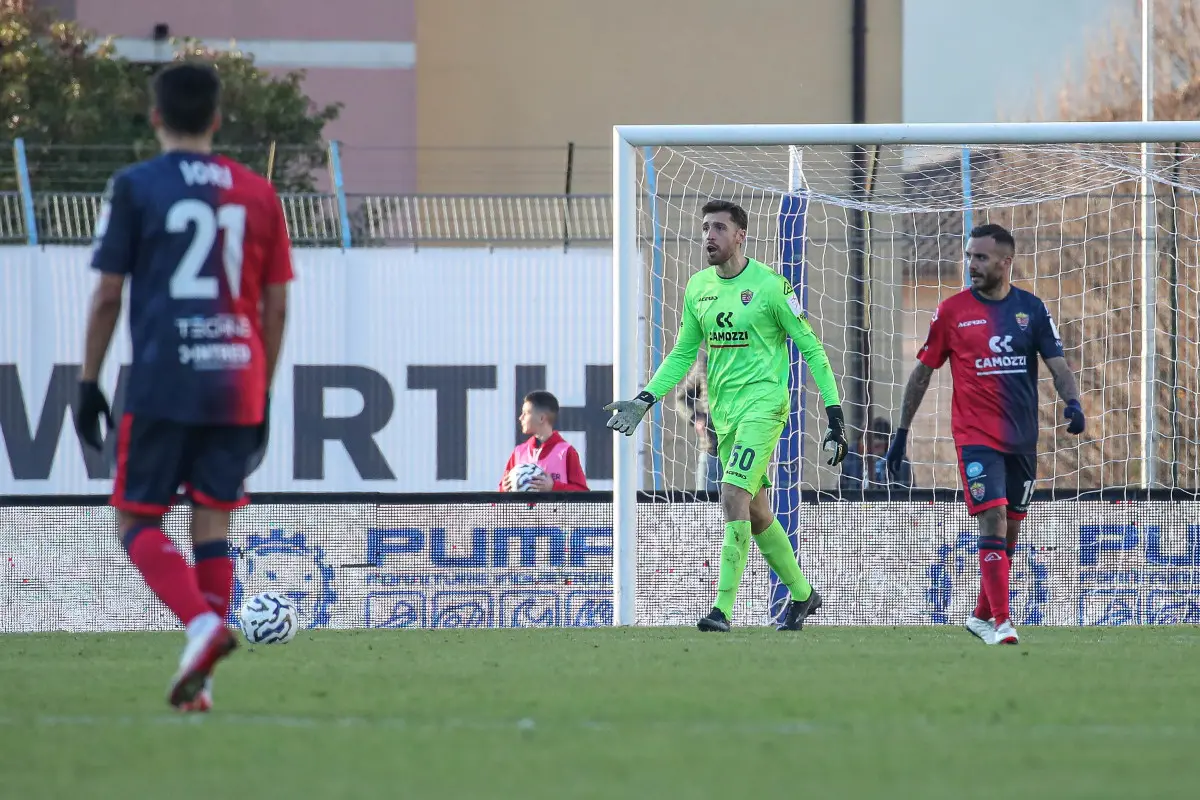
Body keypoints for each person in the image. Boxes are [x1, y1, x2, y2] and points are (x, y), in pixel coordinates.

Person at [73, 62, 293, 710]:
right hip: (237, 379)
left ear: (156, 117)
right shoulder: (257, 192)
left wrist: (88, 380)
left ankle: (200, 626)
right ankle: (202, 684)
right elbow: (276, 306)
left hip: (165, 376)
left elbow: (109, 293)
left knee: (133, 517)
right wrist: (267, 391)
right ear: (218, 119)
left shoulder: (137, 186)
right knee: (211, 519)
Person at [605, 199, 847, 632]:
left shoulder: (772, 287)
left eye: (718, 228)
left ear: (741, 235)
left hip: (765, 405)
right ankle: (805, 596)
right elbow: (682, 354)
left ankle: (722, 610)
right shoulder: (699, 287)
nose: (709, 236)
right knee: (756, 512)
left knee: (731, 494)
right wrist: (645, 399)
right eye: (704, 228)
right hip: (725, 412)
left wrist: (835, 414)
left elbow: (810, 348)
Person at [885, 223, 1084, 646]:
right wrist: (901, 434)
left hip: (1022, 439)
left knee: (1010, 530)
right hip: (975, 437)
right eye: (969, 256)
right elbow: (921, 375)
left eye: (981, 257)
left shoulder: (1030, 309)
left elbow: (1058, 363)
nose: (971, 264)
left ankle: (979, 616)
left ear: (1005, 262)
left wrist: (1074, 403)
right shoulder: (952, 312)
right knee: (991, 518)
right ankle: (1001, 621)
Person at [500, 390, 589, 491]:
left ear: (541, 418)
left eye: (526, 413)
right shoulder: (519, 452)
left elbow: (582, 493)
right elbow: (498, 496)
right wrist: (504, 490)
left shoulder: (566, 452)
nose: (521, 418)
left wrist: (553, 487)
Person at [677, 356, 722, 491]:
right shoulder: (706, 362)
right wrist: (695, 417)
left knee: (741, 508)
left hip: (743, 453)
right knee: (707, 507)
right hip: (711, 449)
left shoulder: (748, 359)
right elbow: (682, 398)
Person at [840, 416, 912, 490]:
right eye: (864, 443)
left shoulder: (899, 462)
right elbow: (840, 490)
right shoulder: (849, 458)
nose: (870, 450)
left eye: (877, 446)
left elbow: (907, 494)